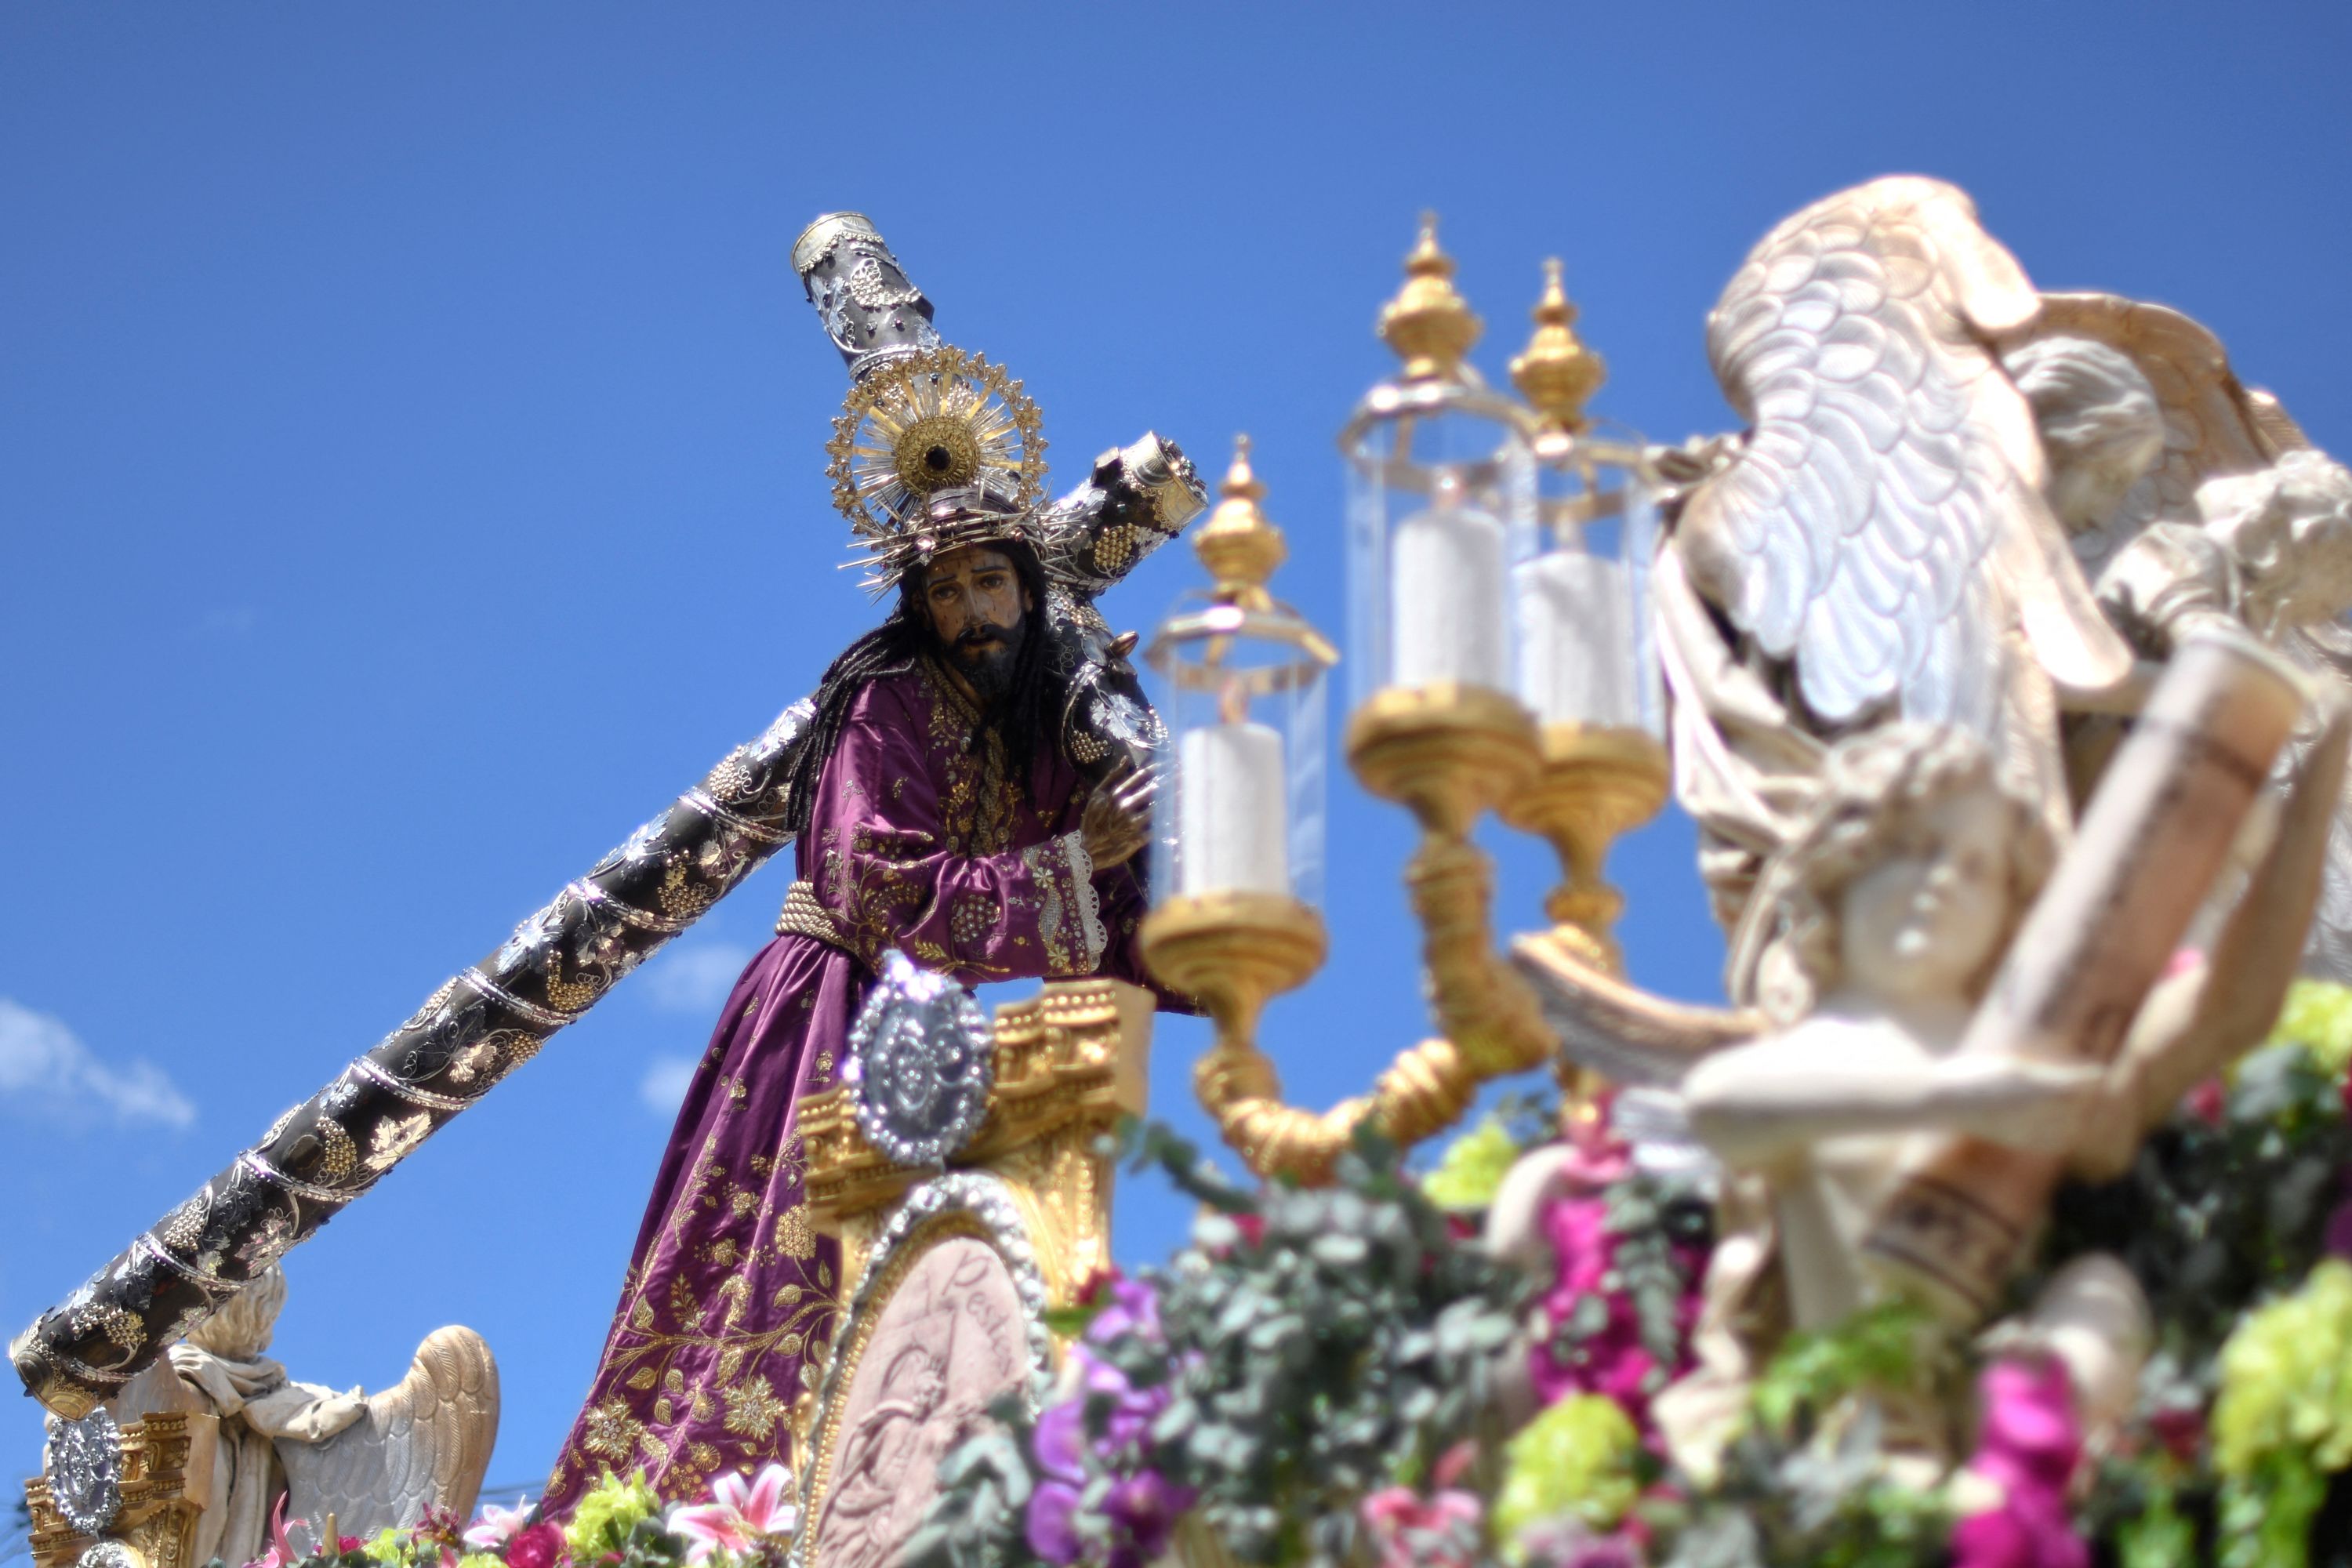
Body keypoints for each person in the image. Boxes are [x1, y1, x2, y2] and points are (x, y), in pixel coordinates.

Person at [542, 485, 1167, 1509]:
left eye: (992, 581)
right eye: (948, 588)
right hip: (829, 1004)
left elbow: (1109, 846)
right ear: (919, 605)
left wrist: (1110, 718)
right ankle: (723, 1509)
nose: (973, 611)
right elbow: (877, 889)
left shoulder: (1022, 722)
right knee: (792, 1257)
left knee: (933, 1287)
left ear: (1028, 588)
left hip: (934, 1031)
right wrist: (1067, 860)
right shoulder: (885, 705)